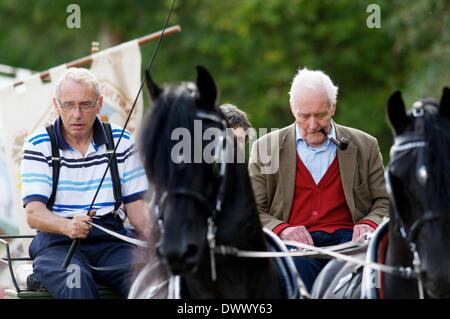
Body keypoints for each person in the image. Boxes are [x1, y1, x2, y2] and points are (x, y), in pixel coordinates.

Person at [248, 67, 389, 293]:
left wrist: (369, 223)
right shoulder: (266, 148)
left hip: (353, 248)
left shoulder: (366, 145)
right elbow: (252, 209)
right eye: (304, 116)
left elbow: (384, 201)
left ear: (333, 107)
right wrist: (283, 229)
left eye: (321, 115)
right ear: (292, 109)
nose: (313, 125)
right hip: (296, 251)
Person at [20, 68, 150, 298]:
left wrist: (165, 240)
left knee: (150, 281)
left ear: (99, 104)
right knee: (76, 283)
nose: (77, 114)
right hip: (57, 242)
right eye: (68, 105)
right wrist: (67, 226)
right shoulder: (38, 144)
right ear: (56, 105)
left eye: (86, 104)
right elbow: (34, 214)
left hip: (112, 241)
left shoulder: (122, 141)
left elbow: (138, 212)